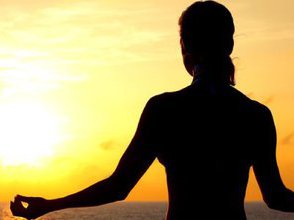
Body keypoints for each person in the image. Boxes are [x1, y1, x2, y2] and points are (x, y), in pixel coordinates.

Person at [10, 1, 294, 219]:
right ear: (229, 44)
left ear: (184, 46)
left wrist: (50, 206)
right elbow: (276, 197)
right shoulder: (255, 115)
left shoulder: (165, 109)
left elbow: (118, 187)